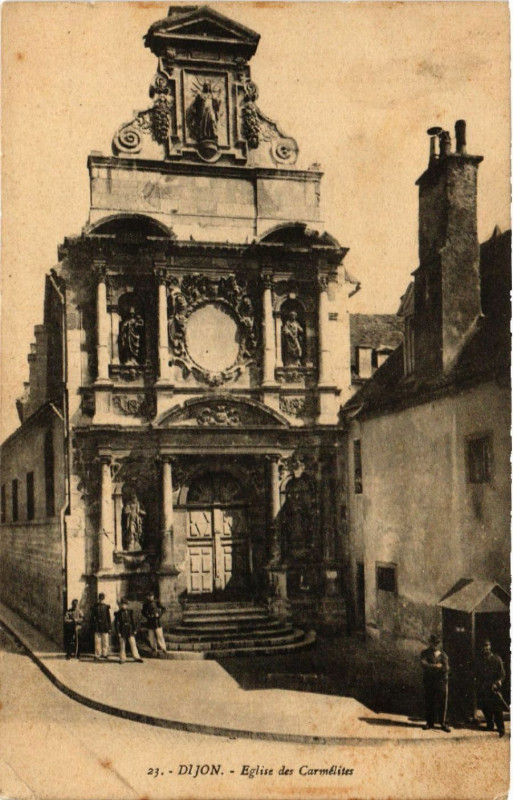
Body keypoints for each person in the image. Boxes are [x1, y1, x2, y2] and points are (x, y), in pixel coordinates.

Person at [420, 634, 451, 732]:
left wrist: (433, 667)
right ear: (430, 643)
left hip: (441, 682)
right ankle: (430, 723)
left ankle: (443, 723)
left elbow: (446, 668)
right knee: (429, 702)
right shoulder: (425, 653)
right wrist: (436, 666)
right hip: (429, 681)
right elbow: (423, 664)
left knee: (442, 702)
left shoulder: (443, 655)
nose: (434, 645)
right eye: (433, 643)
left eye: (437, 643)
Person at [476, 639, 506, 737]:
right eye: (484, 646)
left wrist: (498, 682)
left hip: (494, 687)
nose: (486, 648)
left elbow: (502, 674)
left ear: (490, 647)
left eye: (487, 646)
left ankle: (501, 729)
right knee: (485, 707)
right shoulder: (480, 660)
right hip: (484, 687)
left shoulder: (496, 659)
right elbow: (477, 673)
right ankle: (490, 724)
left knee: (497, 709)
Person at [114, 598, 143, 663]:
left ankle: (136, 657)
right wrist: (118, 632)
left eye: (125, 604)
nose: (124, 606)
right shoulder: (118, 613)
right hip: (122, 630)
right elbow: (117, 624)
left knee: (133, 643)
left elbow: (133, 621)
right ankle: (122, 658)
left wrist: (135, 629)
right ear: (121, 605)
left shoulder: (130, 612)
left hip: (130, 629)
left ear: (127, 605)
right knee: (122, 644)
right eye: (122, 604)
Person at [91, 592, 111, 661]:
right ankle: (97, 654)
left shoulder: (106, 607)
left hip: (105, 626)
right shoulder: (95, 607)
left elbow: (108, 618)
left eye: (102, 598)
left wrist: (109, 627)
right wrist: (93, 625)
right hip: (97, 625)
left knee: (105, 640)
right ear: (98, 599)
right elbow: (92, 617)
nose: (101, 600)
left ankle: (105, 653)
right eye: (100, 598)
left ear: (104, 599)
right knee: (97, 640)